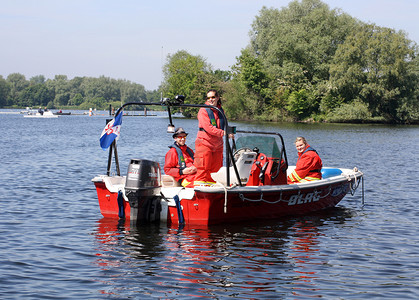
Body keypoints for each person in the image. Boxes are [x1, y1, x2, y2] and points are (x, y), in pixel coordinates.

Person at [193, 89, 232, 186]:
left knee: (216, 170)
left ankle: (213, 189)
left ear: (218, 98)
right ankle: (200, 191)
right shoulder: (203, 110)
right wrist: (223, 133)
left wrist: (229, 133)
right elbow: (208, 128)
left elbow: (224, 126)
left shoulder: (220, 110)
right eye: (208, 98)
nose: (211, 99)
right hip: (204, 143)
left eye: (213, 97)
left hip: (218, 145)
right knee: (203, 168)